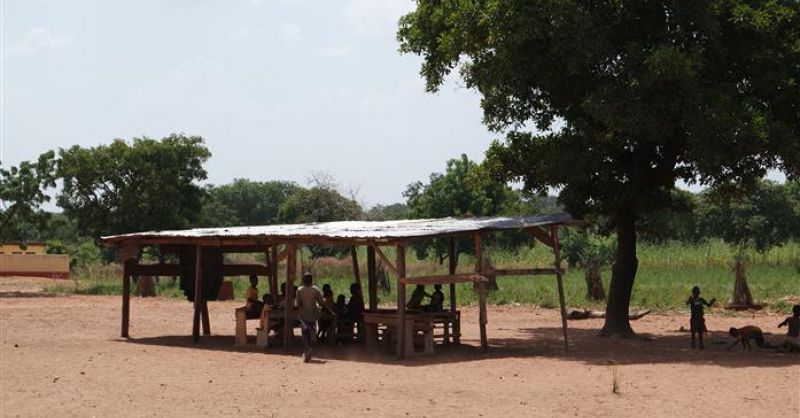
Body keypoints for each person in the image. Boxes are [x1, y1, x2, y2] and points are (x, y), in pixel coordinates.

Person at [295, 272, 334, 362]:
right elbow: (321, 303)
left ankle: (307, 348)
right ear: (311, 280)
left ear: (303, 280)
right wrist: (330, 311)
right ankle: (309, 348)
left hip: (303, 315)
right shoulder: (316, 290)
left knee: (304, 333)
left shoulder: (299, 290)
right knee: (312, 331)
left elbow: (297, 303)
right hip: (313, 315)